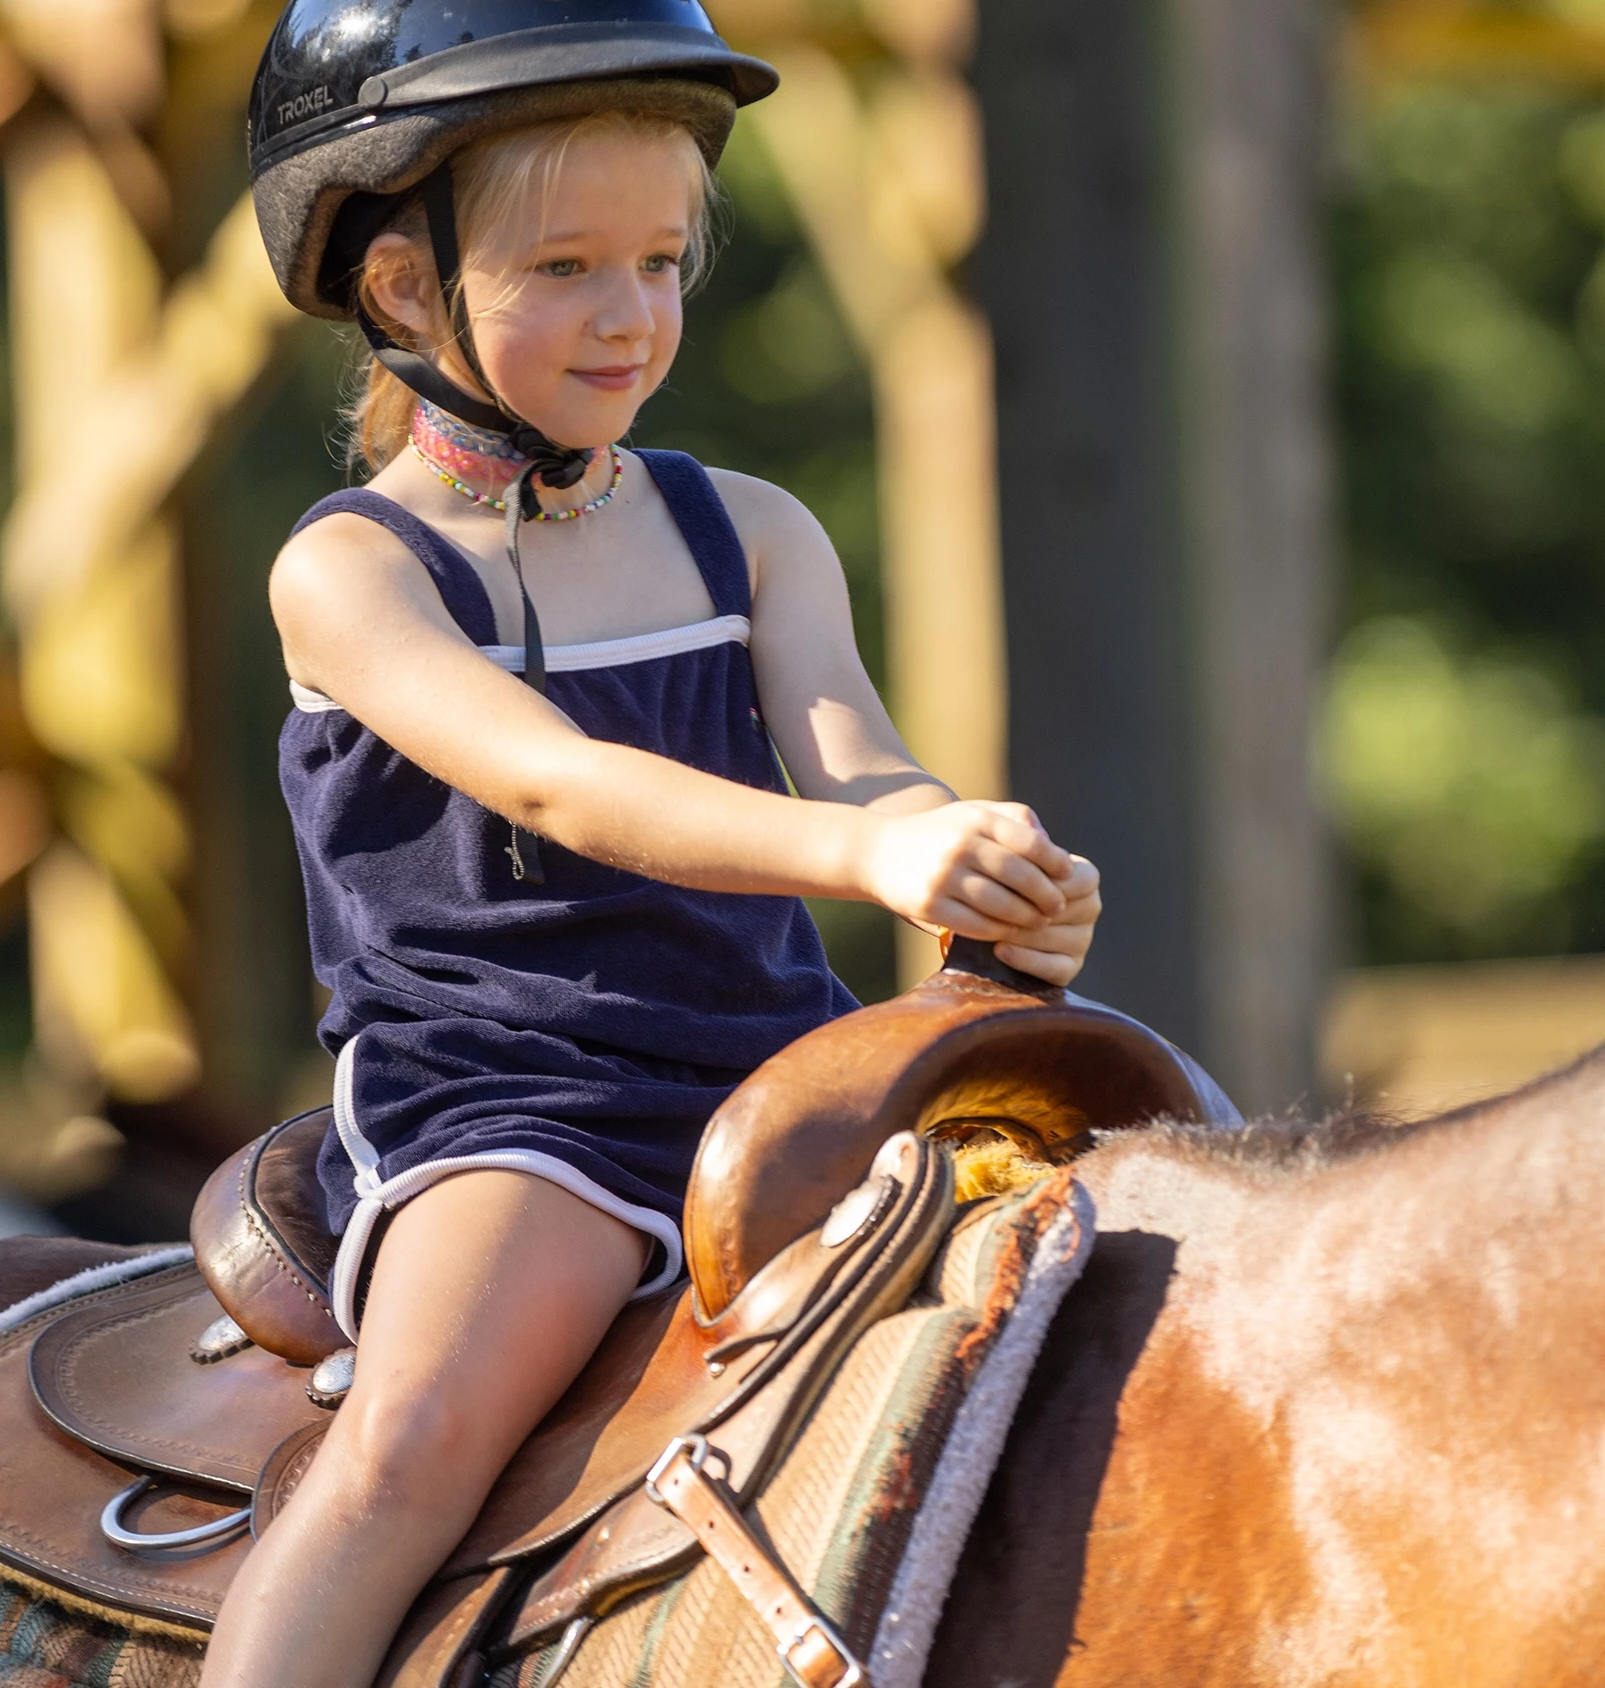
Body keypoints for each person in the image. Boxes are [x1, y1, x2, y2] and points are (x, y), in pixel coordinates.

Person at [203, 3, 1099, 1679]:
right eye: (564, 269)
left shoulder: (748, 530)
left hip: (783, 1068)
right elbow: (563, 787)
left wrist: (966, 851)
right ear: (405, 289)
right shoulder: (354, 572)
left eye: (666, 262)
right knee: (408, 1454)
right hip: (519, 1101)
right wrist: (867, 869)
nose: (631, 318)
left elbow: (859, 769)